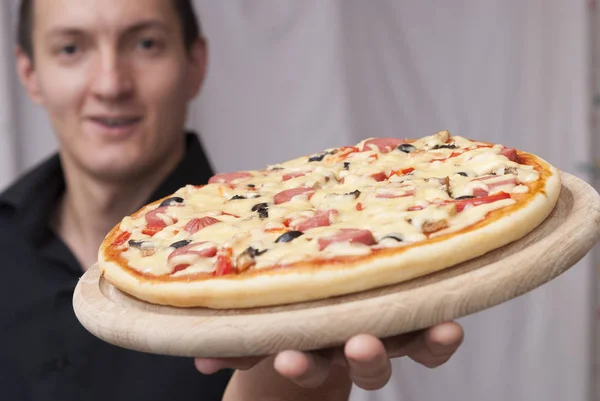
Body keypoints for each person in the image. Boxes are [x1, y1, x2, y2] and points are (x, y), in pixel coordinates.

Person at [0, 0, 464, 399]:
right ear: (30, 74)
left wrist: (302, 373)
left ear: (194, 64)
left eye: (145, 44)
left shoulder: (300, 252)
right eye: (71, 49)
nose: (111, 84)